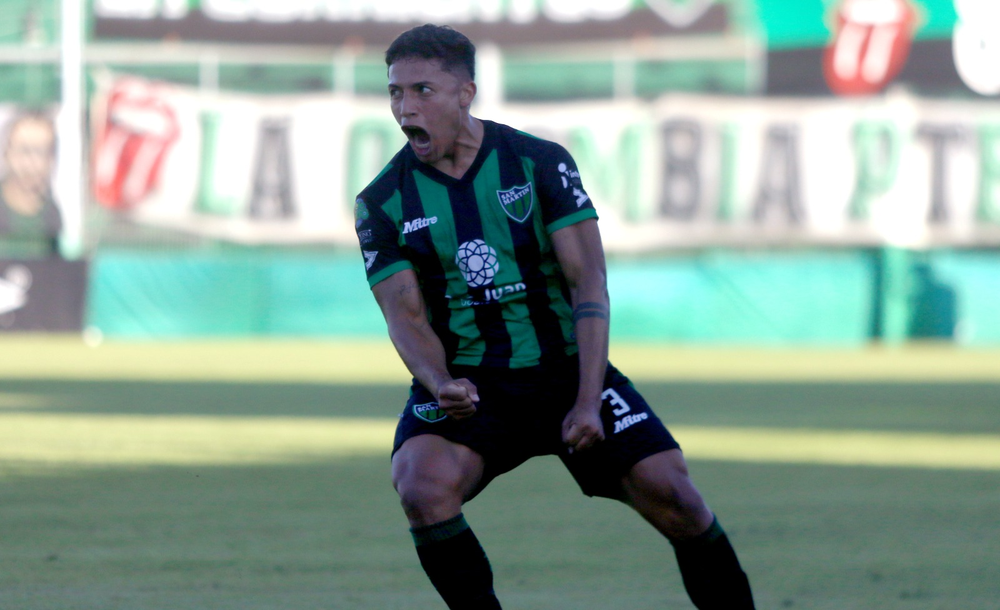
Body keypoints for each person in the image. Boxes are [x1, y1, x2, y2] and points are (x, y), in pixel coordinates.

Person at [355, 24, 755, 609]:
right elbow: (404, 315)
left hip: (567, 372)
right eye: (394, 93)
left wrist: (589, 398)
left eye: (421, 91)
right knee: (421, 485)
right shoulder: (383, 199)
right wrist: (441, 383)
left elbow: (587, 282)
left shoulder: (537, 163)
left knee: (677, 498)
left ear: (466, 92)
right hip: (473, 383)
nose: (404, 107)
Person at [0, 111, 62, 259]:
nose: (31, 163)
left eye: (41, 152)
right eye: (24, 151)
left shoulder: (54, 217)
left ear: (52, 159)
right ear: (7, 153)